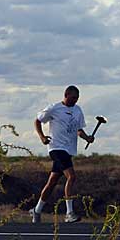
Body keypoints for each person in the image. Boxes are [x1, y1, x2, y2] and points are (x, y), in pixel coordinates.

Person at [29, 85, 94, 223]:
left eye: (77, 98)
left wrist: (87, 138)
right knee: (71, 176)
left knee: (52, 182)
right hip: (56, 148)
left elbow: (79, 130)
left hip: (69, 149)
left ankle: (37, 210)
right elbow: (37, 120)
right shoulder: (54, 108)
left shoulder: (78, 110)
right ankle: (69, 213)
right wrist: (42, 137)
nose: (75, 100)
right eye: (73, 97)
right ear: (66, 95)